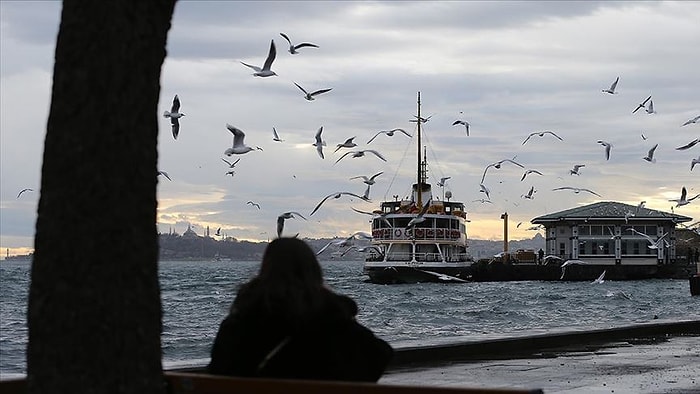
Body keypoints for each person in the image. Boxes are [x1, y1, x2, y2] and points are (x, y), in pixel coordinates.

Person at [208, 237, 393, 382]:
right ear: (314, 271)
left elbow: (218, 372)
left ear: (265, 269)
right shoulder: (333, 321)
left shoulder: (239, 323)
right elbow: (380, 355)